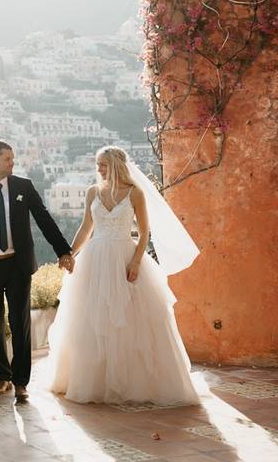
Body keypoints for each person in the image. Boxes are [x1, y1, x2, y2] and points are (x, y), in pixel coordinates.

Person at [48, 146, 201, 405]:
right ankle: (94, 381)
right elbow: (87, 227)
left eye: (103, 165)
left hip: (124, 256)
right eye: (98, 164)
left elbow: (143, 233)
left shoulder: (135, 193)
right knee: (93, 319)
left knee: (130, 320)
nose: (98, 170)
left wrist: (135, 262)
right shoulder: (93, 192)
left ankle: (133, 383)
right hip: (95, 259)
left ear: (116, 166)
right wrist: (70, 253)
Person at [0, 141, 73, 401]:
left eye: (13, 158)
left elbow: (44, 219)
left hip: (18, 265)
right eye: (8, 159)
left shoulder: (23, 186)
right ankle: (3, 377)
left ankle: (21, 381)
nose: (13, 163)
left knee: (20, 323)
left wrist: (63, 251)